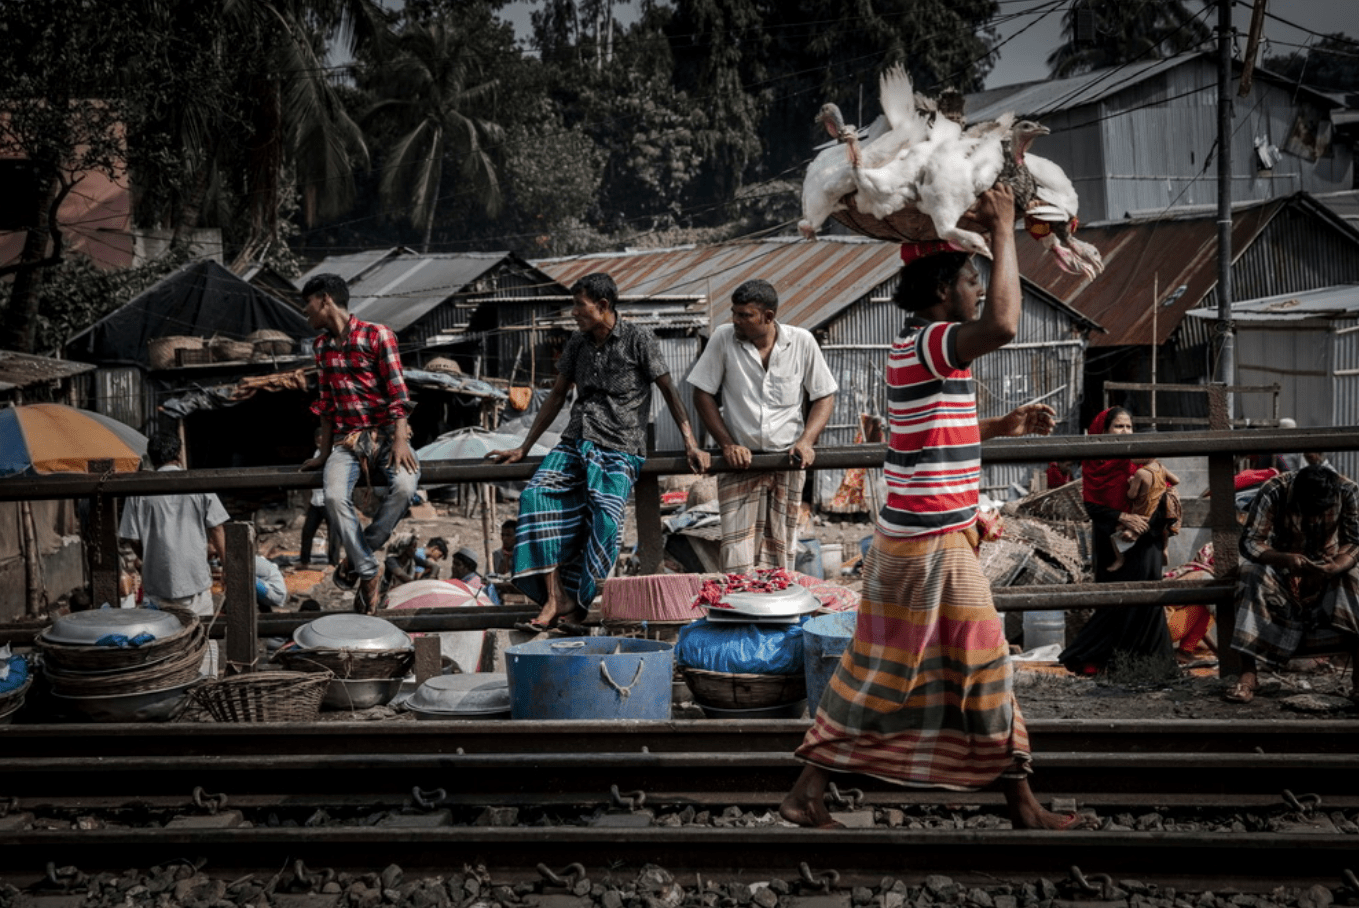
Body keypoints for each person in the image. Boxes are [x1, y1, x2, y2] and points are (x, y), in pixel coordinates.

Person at [781, 185, 1082, 832]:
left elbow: (927, 438)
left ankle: (1015, 800)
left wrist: (1001, 426)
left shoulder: (918, 348)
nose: (978, 290)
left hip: (923, 542)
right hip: (928, 549)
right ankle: (812, 792)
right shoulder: (932, 342)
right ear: (943, 291)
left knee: (946, 669)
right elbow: (1003, 324)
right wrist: (1004, 230)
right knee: (938, 670)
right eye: (970, 280)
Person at [488, 272, 710, 632]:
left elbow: (669, 391)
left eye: (579, 305)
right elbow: (558, 394)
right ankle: (554, 594)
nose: (574, 312)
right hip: (576, 440)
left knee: (606, 519)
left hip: (621, 445)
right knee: (535, 497)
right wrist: (524, 446)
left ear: (603, 306)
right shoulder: (577, 343)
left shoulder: (638, 338)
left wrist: (690, 441)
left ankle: (577, 602)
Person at [688, 278, 838, 574]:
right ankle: (739, 612)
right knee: (735, 551)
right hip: (739, 462)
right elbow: (702, 392)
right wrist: (727, 443)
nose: (736, 321)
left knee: (782, 547)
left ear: (768, 317)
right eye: (734, 313)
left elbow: (824, 395)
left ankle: (776, 614)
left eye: (745, 315)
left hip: (787, 461)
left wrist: (806, 441)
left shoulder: (802, 341)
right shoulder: (723, 338)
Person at [299, 272, 420, 614]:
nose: (305, 312)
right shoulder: (321, 347)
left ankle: (355, 559)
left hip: (386, 436)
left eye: (307, 304)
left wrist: (399, 440)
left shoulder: (377, 335)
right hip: (347, 442)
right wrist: (323, 453)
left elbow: (398, 393)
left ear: (324, 299)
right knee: (335, 496)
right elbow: (325, 403)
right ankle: (367, 569)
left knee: (405, 486)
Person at [1225, 464, 1359, 703]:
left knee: (1354, 575)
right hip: (1282, 569)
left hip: (1328, 569)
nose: (1314, 519)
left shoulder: (1348, 491)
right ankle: (1248, 674)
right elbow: (1251, 542)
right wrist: (1284, 559)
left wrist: (1336, 566)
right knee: (1250, 574)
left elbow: (1355, 541)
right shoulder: (1274, 490)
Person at [1058, 407, 1175, 675]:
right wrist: (1122, 516)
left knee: (1145, 603)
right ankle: (1098, 659)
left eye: (1128, 427)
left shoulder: (1143, 464)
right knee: (1113, 602)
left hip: (1146, 542)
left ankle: (1153, 665)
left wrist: (1140, 521)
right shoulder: (1095, 465)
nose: (1124, 433)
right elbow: (1092, 506)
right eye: (1118, 427)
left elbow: (1162, 498)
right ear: (1103, 431)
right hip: (1109, 542)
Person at [118, 432, 228, 618]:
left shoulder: (137, 490)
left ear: (151, 458)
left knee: (164, 640)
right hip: (196, 582)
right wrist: (226, 564)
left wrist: (151, 556)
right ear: (178, 455)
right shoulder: (198, 482)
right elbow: (217, 528)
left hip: (157, 585)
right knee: (203, 639)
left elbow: (132, 538)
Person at [1108, 455, 1181, 572]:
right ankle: (1165, 549)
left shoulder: (1141, 473)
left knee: (1117, 533)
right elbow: (1176, 480)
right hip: (1158, 511)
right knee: (1164, 531)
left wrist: (1131, 483)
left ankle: (1120, 559)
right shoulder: (1160, 467)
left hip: (1142, 514)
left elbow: (1131, 495)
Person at [299, 427, 339, 567]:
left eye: (322, 440)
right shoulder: (317, 454)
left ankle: (333, 563)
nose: (319, 443)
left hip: (328, 500)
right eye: (318, 440)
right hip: (316, 501)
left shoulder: (334, 454)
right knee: (307, 531)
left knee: (333, 534)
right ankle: (304, 561)